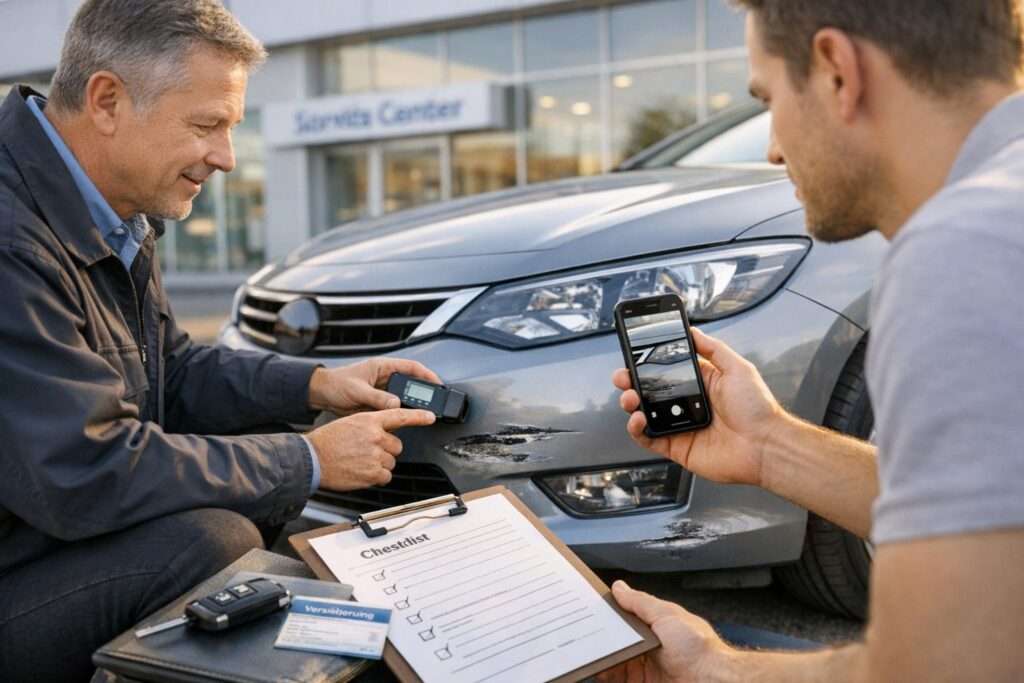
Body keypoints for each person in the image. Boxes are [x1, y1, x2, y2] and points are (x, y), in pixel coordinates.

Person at [0, 2, 440, 680]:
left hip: (42, 544)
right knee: (212, 541)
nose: (227, 159)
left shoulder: (110, 212)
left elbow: (172, 370)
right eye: (207, 125)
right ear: (108, 100)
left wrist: (316, 384)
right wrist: (307, 459)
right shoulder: (11, 237)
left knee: (256, 475)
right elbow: (82, 470)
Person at [606, 1, 1024, 680]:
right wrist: (768, 443)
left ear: (835, 70)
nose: (772, 145)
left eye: (768, 97)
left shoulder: (962, 249)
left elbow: (946, 665)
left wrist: (717, 669)